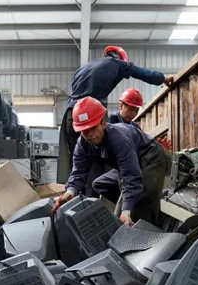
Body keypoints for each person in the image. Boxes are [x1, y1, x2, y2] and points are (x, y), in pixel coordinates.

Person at [57, 46, 173, 182]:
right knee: (99, 162)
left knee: (77, 162)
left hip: (72, 116)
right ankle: (97, 198)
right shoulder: (116, 64)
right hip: (91, 115)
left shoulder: (83, 69)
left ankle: (76, 194)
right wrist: (163, 79)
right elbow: (141, 72)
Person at [52, 97, 168, 226]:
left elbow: (131, 176)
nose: (89, 134)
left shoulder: (119, 139)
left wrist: (126, 210)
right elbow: (78, 173)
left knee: (135, 209)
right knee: (100, 184)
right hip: (130, 163)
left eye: (92, 128)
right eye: (84, 130)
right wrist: (69, 193)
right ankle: (131, 204)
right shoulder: (83, 144)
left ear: (103, 124)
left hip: (151, 159)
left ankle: (144, 220)